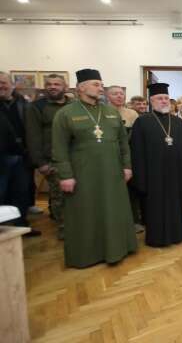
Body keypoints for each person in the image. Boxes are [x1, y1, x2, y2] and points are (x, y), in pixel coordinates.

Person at [51, 69, 137, 268]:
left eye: (101, 84)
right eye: (96, 84)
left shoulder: (110, 112)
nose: (101, 88)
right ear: (81, 87)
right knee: (86, 213)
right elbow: (60, 149)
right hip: (83, 175)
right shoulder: (66, 114)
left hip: (113, 173)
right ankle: (87, 255)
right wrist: (65, 176)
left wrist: (127, 166)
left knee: (113, 211)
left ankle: (118, 249)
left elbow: (123, 143)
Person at [130, 83, 182, 247]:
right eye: (159, 98)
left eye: (166, 98)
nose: (164, 101)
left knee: (177, 205)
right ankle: (158, 238)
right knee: (156, 208)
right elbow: (137, 153)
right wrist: (141, 180)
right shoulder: (142, 122)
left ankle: (179, 234)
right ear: (152, 101)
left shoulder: (178, 122)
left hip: (176, 174)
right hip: (154, 176)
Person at [26, 73, 71, 239]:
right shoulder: (37, 107)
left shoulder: (73, 105)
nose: (52, 87)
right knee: (59, 196)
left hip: (75, 157)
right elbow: (33, 136)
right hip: (52, 159)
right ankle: (64, 229)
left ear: (65, 87)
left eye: (57, 84)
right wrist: (41, 163)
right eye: (49, 84)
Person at [0, 71, 41, 236]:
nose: (1, 86)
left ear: (12, 85)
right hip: (1, 156)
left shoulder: (23, 104)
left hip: (22, 156)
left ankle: (21, 227)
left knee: (21, 193)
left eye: (4, 82)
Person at [106, 85, 143, 234]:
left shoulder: (132, 113)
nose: (119, 96)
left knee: (130, 191)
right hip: (109, 156)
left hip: (129, 156)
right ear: (108, 96)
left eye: (121, 94)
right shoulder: (103, 112)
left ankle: (133, 221)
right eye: (115, 94)